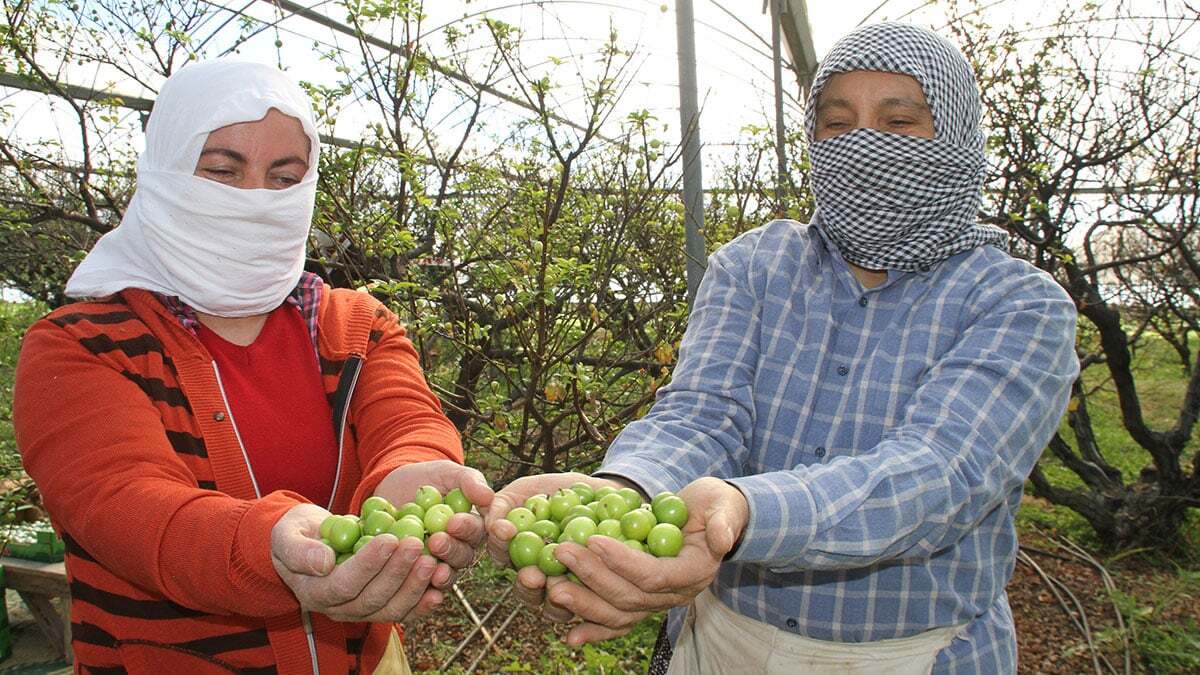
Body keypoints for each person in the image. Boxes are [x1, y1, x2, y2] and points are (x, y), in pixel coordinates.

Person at [485, 22, 1078, 674]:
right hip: (721, 639)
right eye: (837, 122)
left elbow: (940, 473)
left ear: (957, 137)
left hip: (914, 654)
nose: (864, 146)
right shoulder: (756, 265)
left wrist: (747, 510)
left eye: (899, 121)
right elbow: (702, 413)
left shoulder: (1019, 304)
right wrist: (628, 489)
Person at [13, 59, 491, 674]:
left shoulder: (354, 325)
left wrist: (419, 470)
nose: (255, 201)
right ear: (163, 170)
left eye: (284, 177)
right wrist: (266, 548)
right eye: (221, 171)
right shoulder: (80, 347)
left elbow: (407, 420)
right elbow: (122, 503)